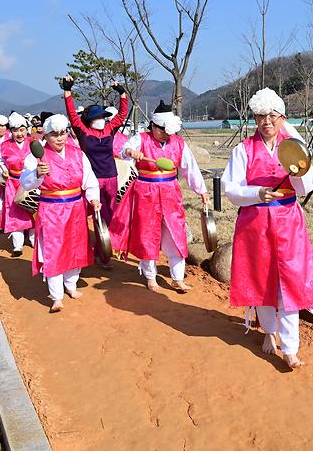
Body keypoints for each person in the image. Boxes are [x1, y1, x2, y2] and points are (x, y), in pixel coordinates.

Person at [221, 87, 313, 369]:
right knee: (262, 278)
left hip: (287, 221)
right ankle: (269, 333)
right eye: (261, 116)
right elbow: (231, 189)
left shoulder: (292, 145)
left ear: (282, 117)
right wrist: (257, 193)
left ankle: (291, 347)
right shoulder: (243, 149)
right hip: (255, 221)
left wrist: (299, 167)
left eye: (272, 115)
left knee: (289, 282)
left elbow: (306, 188)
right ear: (255, 119)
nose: (267, 121)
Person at [110, 99, 210, 292]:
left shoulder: (179, 144)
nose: (166, 135)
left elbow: (190, 168)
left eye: (169, 132)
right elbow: (123, 151)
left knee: (176, 233)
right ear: (153, 126)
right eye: (162, 130)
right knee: (148, 233)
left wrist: (202, 190)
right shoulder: (141, 139)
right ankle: (150, 276)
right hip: (145, 192)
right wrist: (131, 151)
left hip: (171, 192)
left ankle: (177, 278)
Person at [20, 114, 100, 313]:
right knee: (53, 250)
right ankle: (56, 296)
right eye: (54, 134)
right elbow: (25, 182)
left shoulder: (78, 153)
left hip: (75, 207)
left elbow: (90, 179)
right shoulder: (36, 157)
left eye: (63, 133)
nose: (60, 138)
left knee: (76, 246)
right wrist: (37, 173)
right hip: (51, 209)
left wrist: (93, 197)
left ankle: (71, 285)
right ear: (46, 136)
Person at [61, 75, 128, 265]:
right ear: (90, 120)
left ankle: (103, 251)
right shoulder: (83, 131)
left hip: (111, 178)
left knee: (108, 215)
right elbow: (72, 115)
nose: (101, 120)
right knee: (86, 215)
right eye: (97, 117)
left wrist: (122, 94)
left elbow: (122, 115)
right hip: (91, 180)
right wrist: (68, 91)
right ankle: (79, 250)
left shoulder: (110, 130)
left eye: (102, 117)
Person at [0, 112, 35, 256]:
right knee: (15, 212)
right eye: (15, 130)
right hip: (13, 182)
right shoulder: (5, 146)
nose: (19, 133)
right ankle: (17, 245)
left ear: (26, 129)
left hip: (32, 182)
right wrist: (3, 171)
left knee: (33, 211)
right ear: (11, 131)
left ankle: (34, 239)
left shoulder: (34, 143)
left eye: (22, 130)